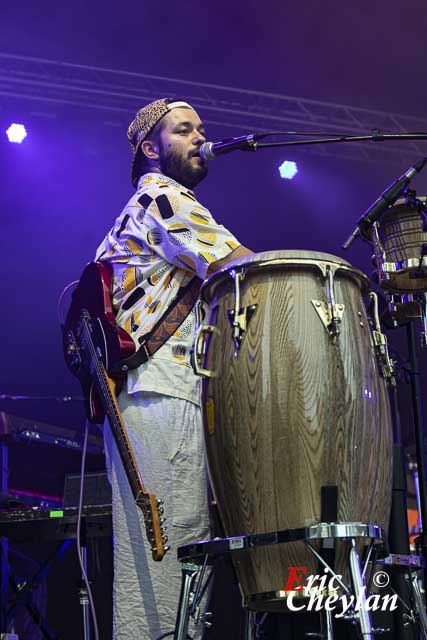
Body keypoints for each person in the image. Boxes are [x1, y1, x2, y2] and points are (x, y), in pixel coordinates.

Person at [95, 98, 251, 639]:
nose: (199, 138)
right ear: (149, 149)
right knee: (172, 549)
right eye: (184, 131)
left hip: (149, 396)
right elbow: (244, 270)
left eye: (201, 129)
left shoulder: (144, 205)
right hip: (159, 393)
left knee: (160, 555)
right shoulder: (163, 196)